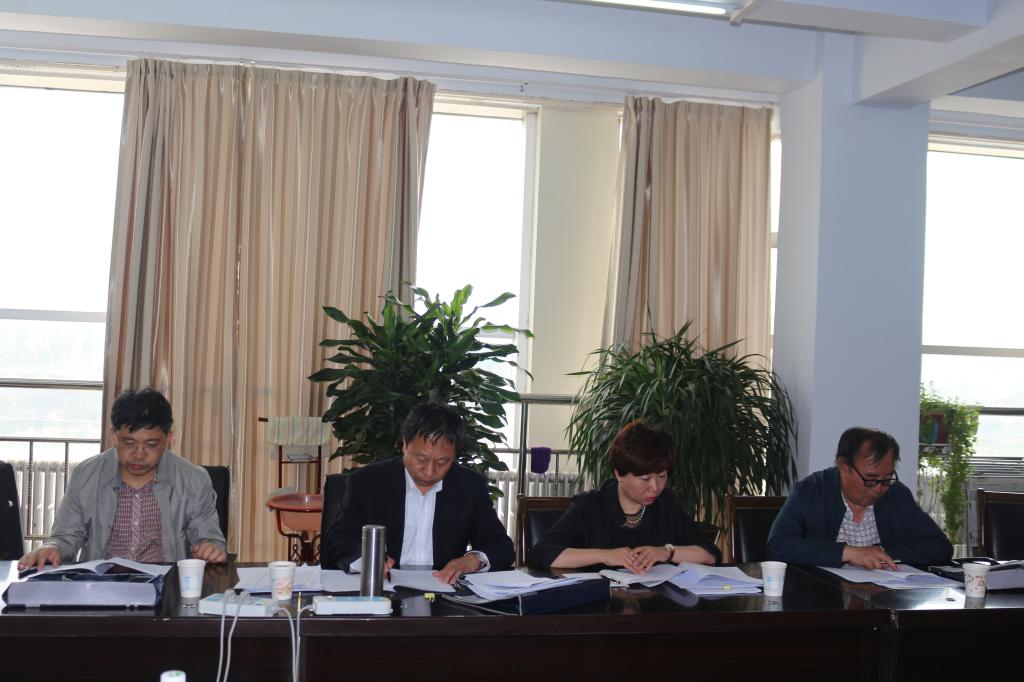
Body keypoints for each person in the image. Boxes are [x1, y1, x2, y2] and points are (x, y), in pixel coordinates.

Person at [18, 388, 227, 571]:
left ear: (168, 439)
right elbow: (67, 536)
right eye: (129, 443)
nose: (139, 454)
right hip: (102, 583)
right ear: (114, 436)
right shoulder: (86, 474)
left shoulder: (194, 479)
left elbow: (209, 538)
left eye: (151, 445)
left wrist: (211, 548)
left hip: (167, 585)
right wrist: (52, 547)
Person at [320, 402, 515, 584]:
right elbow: (338, 538)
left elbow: (500, 545)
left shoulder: (470, 486)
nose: (429, 471)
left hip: (443, 592)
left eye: (442, 462)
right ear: (405, 445)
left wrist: (473, 560)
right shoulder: (368, 482)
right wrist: (367, 560)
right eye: (421, 459)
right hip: (383, 589)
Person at [528, 420, 720, 572]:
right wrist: (605, 556)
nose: (655, 487)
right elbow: (541, 553)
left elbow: (710, 554)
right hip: (599, 606)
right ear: (619, 474)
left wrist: (667, 552)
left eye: (662, 476)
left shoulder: (666, 504)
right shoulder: (590, 506)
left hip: (654, 606)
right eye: (645, 479)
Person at [767, 426, 952, 568]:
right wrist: (847, 553)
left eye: (887, 478)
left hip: (882, 597)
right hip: (823, 596)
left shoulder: (896, 495)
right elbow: (778, 546)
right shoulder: (811, 491)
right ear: (844, 467)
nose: (879, 488)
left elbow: (940, 547)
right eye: (870, 479)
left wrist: (880, 552)